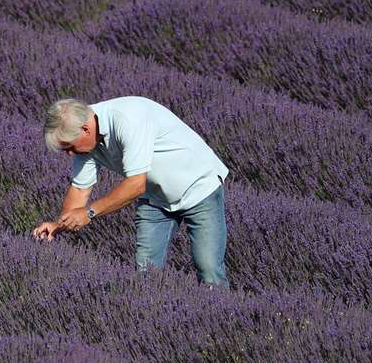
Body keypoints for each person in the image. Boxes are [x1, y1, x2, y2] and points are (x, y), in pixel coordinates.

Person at [32, 96, 229, 288]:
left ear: (85, 129)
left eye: (69, 146)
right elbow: (79, 189)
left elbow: (136, 185)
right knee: (146, 275)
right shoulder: (84, 142)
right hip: (156, 200)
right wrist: (58, 225)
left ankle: (223, 317)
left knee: (209, 269)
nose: (69, 153)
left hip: (199, 188)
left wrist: (89, 213)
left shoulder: (127, 119)